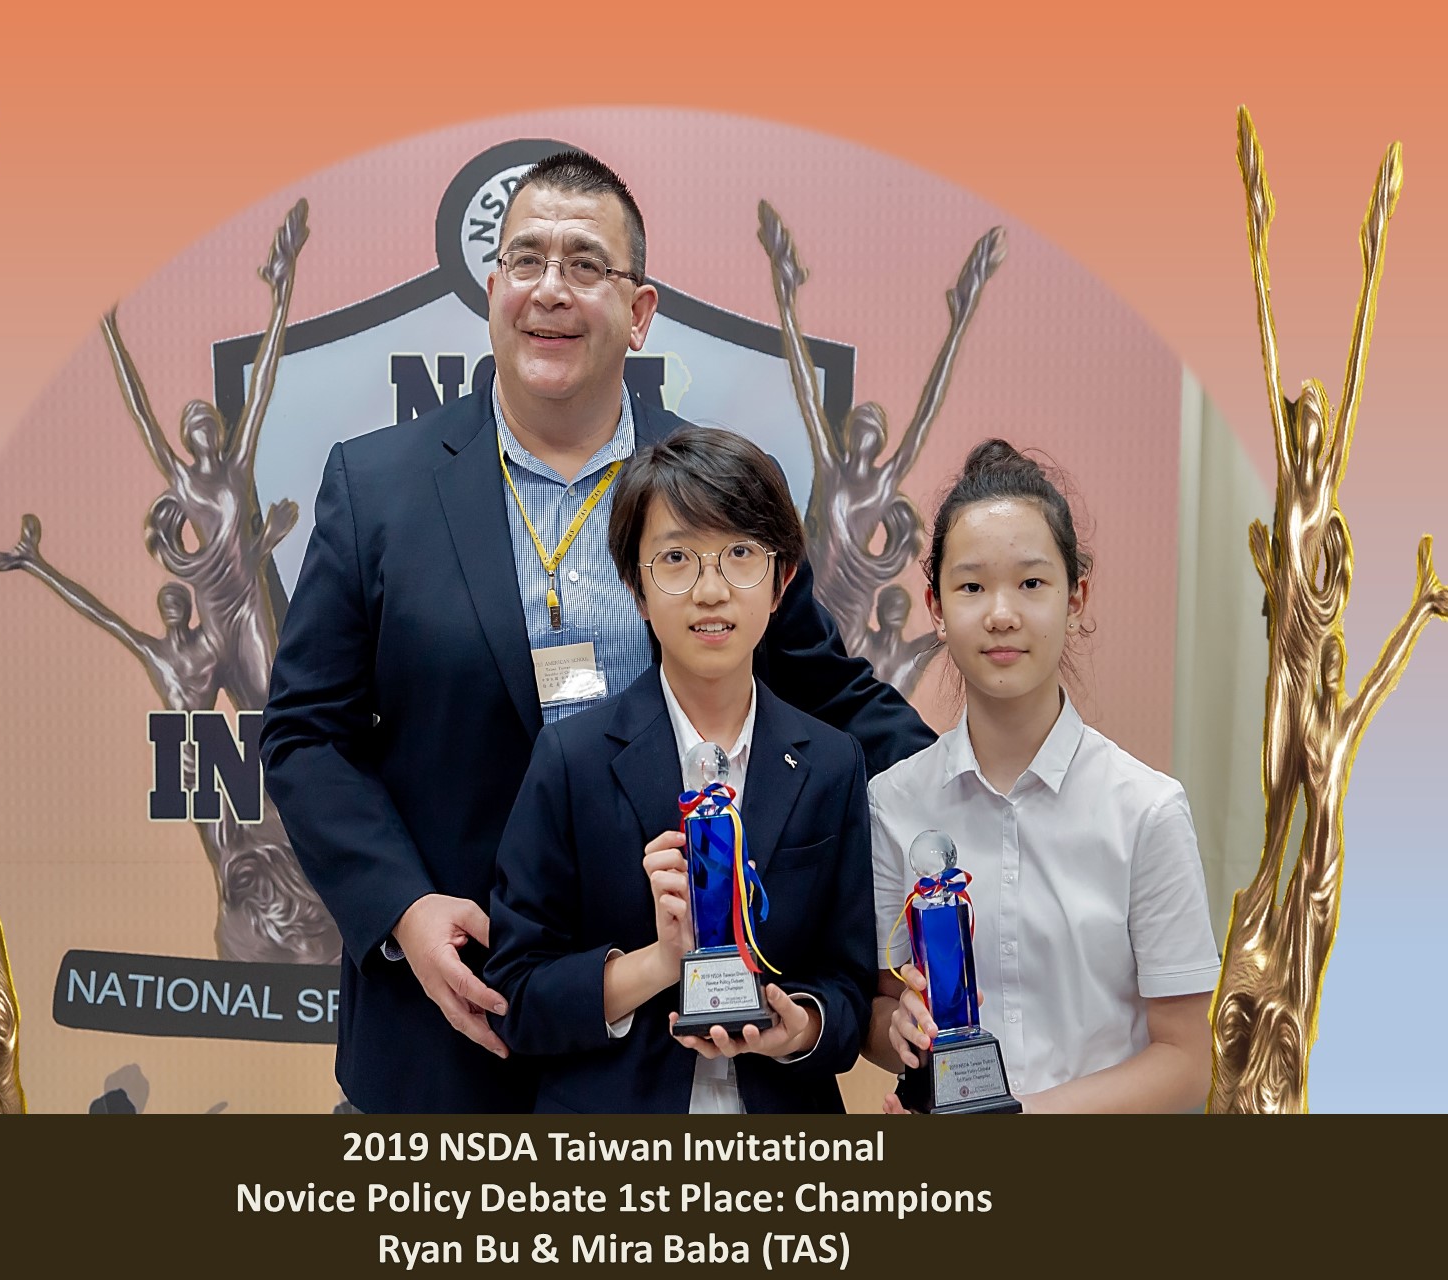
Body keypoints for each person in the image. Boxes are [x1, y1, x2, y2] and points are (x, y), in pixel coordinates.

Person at [262, 149, 933, 1113]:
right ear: (491, 290)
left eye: (585, 264)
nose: (550, 289)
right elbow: (304, 735)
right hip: (453, 1015)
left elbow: (829, 696)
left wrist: (976, 797)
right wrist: (400, 907)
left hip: (662, 1038)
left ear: (639, 310)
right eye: (525, 260)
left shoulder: (707, 496)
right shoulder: (376, 489)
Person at [485, 428, 873, 1113]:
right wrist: (659, 963)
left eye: (740, 554)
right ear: (636, 589)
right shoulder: (572, 759)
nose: (710, 590)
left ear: (781, 581)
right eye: (675, 559)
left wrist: (799, 1028)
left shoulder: (831, 762)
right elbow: (517, 995)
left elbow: (848, 987)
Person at [863, 440, 1220, 1112]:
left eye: (1031, 584)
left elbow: (1184, 1061)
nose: (1001, 614)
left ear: (1076, 597)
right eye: (971, 587)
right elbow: (884, 1009)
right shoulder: (892, 803)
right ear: (935, 606)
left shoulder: (1146, 811)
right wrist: (899, 1032)